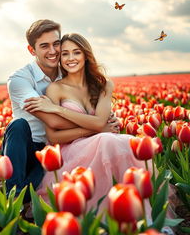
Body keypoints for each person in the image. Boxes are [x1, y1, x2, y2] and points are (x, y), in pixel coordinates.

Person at [23, 33, 147, 211]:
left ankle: (130, 210)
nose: (70, 58)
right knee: (107, 139)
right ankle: (101, 214)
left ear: (86, 55)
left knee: (117, 141)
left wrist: (58, 109)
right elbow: (54, 137)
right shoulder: (55, 88)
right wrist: (97, 129)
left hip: (104, 143)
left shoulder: (103, 85)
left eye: (76, 52)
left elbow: (99, 123)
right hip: (71, 151)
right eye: (65, 54)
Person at [2, 20, 118, 203]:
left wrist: (101, 119)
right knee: (18, 125)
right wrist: (98, 123)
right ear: (32, 50)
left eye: (56, 44)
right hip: (27, 147)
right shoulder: (19, 80)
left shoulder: (68, 70)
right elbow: (54, 121)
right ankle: (12, 195)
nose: (53, 51)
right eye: (44, 46)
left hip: (57, 147)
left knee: (35, 189)